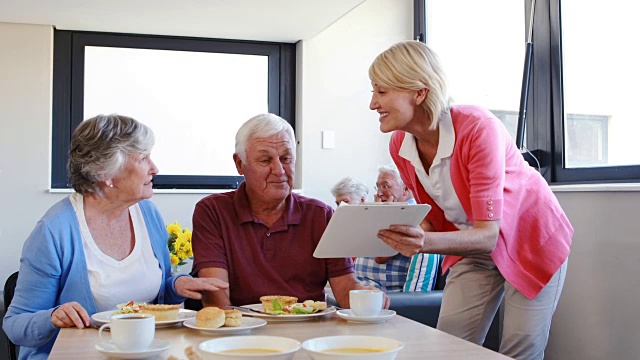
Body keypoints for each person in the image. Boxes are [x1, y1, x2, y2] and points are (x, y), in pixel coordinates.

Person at [369, 41, 573, 360]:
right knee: (448, 348)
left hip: (529, 239)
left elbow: (488, 234)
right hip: (472, 245)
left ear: (419, 92)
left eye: (381, 92)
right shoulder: (399, 145)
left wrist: (420, 242)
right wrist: (389, 237)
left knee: (519, 350)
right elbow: (432, 220)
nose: (372, 104)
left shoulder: (478, 127)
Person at [3, 114, 229, 359]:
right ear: (106, 173)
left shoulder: (147, 213)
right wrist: (52, 317)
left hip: (145, 351)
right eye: (143, 158)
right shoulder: (54, 231)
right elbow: (15, 325)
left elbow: (154, 291)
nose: (155, 168)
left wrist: (176, 285)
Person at [191, 113, 389, 309]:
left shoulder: (321, 215)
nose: (279, 170)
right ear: (239, 164)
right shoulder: (213, 211)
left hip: (309, 333)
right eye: (265, 160)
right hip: (243, 332)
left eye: (286, 158)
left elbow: (345, 286)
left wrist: (366, 296)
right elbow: (216, 296)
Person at [331, 176, 439, 292]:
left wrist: (381, 215)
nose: (378, 193)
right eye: (377, 187)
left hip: (382, 295)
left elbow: (380, 258)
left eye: (385, 186)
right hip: (360, 288)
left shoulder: (414, 217)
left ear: (405, 190)